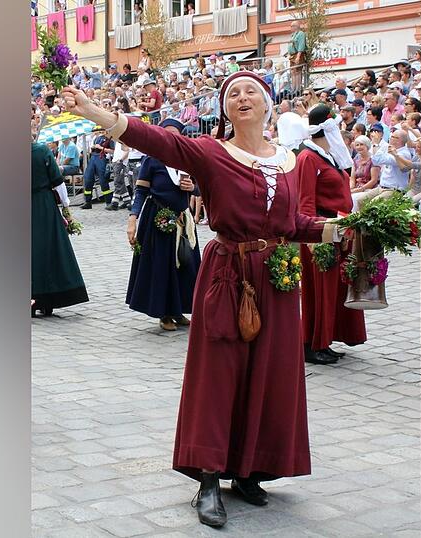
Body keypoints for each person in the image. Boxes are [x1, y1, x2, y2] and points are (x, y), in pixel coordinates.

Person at [61, 70, 345, 529]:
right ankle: (209, 478)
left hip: (276, 276)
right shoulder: (212, 153)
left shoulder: (290, 161)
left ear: (270, 103)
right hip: (228, 272)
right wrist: (97, 113)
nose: (243, 97)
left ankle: (252, 470)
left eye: (252, 90)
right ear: (224, 108)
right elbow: (157, 141)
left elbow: (295, 224)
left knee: (272, 372)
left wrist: (345, 230)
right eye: (233, 93)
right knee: (219, 372)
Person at [292, 105, 367, 363]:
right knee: (319, 291)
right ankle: (313, 344)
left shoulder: (328, 156)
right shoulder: (308, 158)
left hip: (339, 229)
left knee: (334, 289)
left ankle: (327, 338)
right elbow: (306, 202)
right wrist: (315, 237)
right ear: (327, 127)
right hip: (321, 232)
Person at [126, 118, 201, 330]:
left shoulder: (188, 159)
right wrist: (133, 218)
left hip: (183, 219)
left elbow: (200, 190)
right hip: (157, 218)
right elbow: (141, 192)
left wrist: (192, 188)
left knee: (186, 264)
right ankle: (164, 313)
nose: (169, 138)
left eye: (173, 134)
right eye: (165, 133)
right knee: (162, 266)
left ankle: (179, 310)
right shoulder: (152, 160)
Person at [31, 141, 89, 315]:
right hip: (44, 206)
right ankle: (48, 301)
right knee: (48, 250)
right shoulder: (41, 150)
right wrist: (66, 208)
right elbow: (57, 181)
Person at [80, 130, 114, 209]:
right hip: (93, 158)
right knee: (88, 179)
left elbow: (112, 151)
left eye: (103, 130)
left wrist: (101, 148)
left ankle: (108, 202)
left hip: (101, 158)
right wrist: (92, 148)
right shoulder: (97, 138)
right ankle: (88, 202)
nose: (102, 131)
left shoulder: (110, 139)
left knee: (103, 181)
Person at [287, 20, 307, 92]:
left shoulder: (301, 34)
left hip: (297, 54)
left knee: (297, 71)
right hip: (292, 55)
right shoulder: (293, 35)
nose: (291, 28)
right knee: (292, 71)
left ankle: (297, 88)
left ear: (297, 26)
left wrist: (298, 56)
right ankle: (293, 88)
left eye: (292, 26)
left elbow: (301, 45)